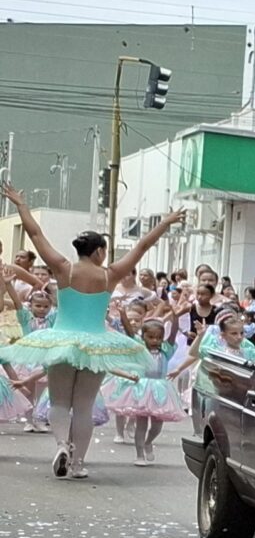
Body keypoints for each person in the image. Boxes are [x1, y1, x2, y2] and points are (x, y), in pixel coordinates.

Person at [0, 183, 180, 480]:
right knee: (83, 406)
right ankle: (78, 463)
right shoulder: (110, 274)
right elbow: (142, 247)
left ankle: (61, 444)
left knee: (59, 401)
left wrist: (21, 205)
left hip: (61, 340)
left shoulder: (63, 268)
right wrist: (164, 223)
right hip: (96, 343)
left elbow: (35, 234)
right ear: (99, 251)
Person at [101, 319, 187, 465]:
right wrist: (123, 315)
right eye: (151, 337)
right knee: (141, 424)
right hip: (142, 389)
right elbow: (130, 333)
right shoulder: (140, 349)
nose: (155, 341)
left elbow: (173, 335)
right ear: (143, 337)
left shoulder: (165, 351)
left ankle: (148, 442)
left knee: (157, 426)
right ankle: (139, 455)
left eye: (159, 337)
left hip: (160, 390)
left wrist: (176, 316)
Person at [188, 311, 255, 436]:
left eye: (241, 333)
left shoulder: (250, 352)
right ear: (223, 335)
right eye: (234, 333)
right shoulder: (218, 352)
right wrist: (200, 336)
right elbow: (194, 353)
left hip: (241, 397)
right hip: (220, 397)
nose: (239, 337)